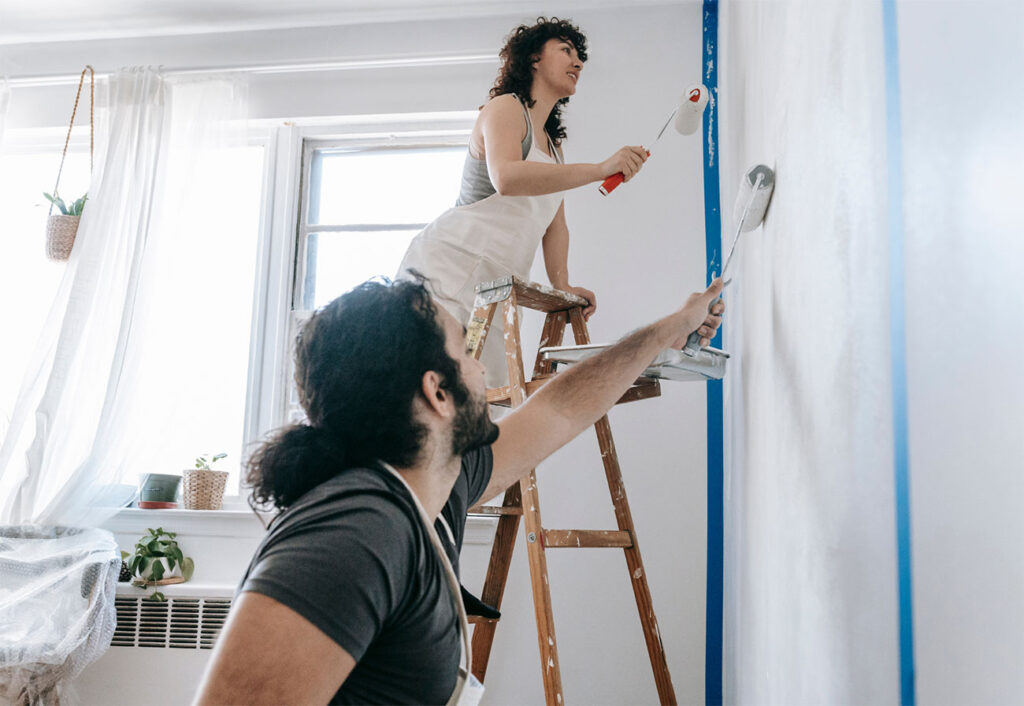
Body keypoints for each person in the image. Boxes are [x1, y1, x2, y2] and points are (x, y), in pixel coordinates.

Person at [193, 275, 724, 705]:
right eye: (466, 350)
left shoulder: (435, 486)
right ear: (438, 392)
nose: (483, 365)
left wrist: (667, 330)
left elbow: (559, 410)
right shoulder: (354, 535)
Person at [397, 17, 649, 385]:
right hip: (451, 268)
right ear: (533, 58)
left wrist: (562, 285)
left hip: (499, 287)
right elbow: (508, 178)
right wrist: (599, 169)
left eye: (580, 56)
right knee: (435, 386)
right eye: (566, 50)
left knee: (483, 400)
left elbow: (555, 226)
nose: (578, 62)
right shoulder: (504, 108)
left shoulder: (553, 145)